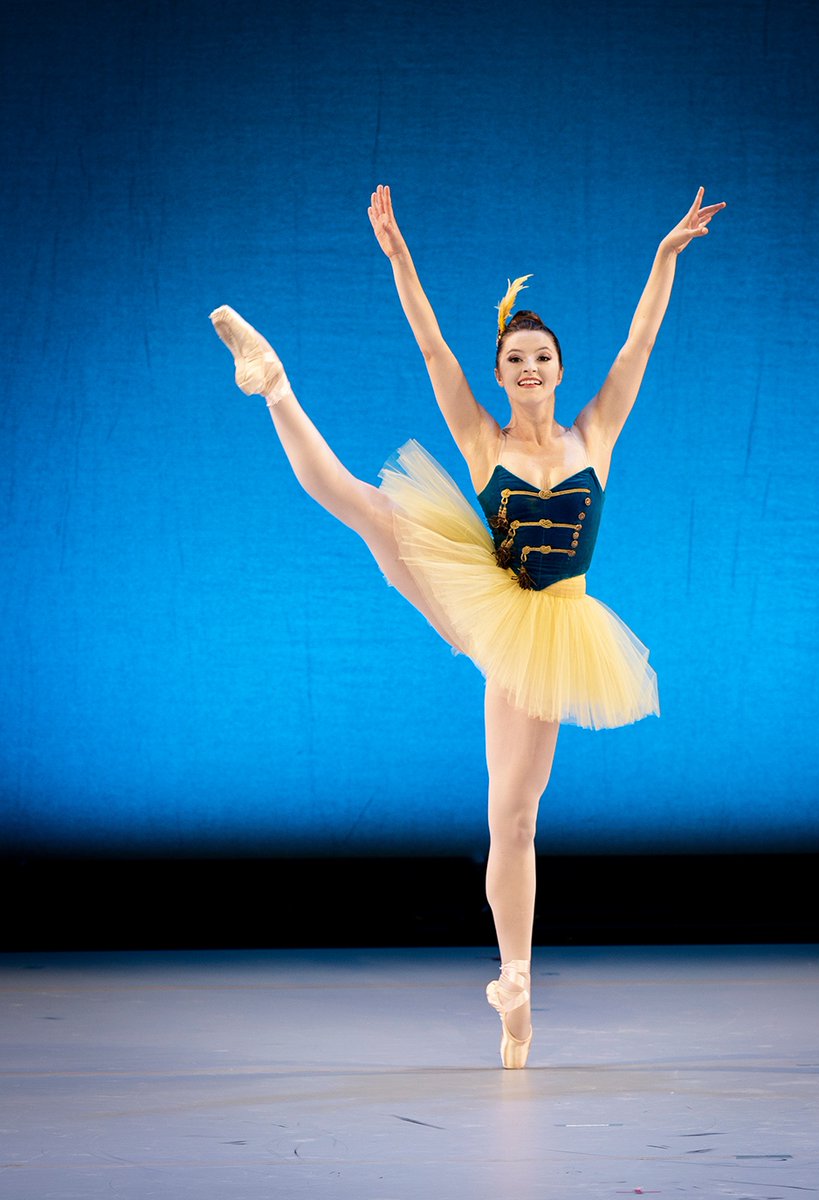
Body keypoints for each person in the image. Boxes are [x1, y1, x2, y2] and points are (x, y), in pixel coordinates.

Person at [210, 184, 724, 1068]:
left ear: (560, 370)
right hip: (485, 597)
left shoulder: (596, 432)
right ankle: (273, 382)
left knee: (514, 818)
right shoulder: (483, 440)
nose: (529, 369)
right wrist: (399, 254)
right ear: (501, 374)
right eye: (515, 359)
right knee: (367, 508)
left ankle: (515, 984)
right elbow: (429, 340)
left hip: (556, 629)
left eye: (541, 358)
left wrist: (665, 256)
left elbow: (640, 342)